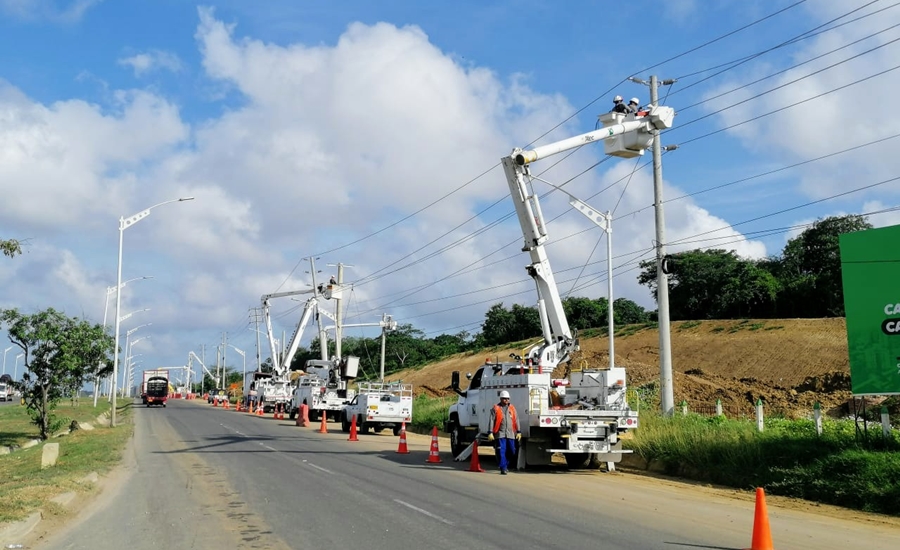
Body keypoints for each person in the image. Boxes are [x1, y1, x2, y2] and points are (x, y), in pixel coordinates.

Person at [487, 390, 521, 474]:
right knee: (501, 451)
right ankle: (503, 468)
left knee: (512, 451)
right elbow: (491, 420)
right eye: (504, 399)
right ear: (501, 399)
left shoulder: (512, 408)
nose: (506, 400)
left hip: (510, 434)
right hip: (500, 434)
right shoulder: (495, 408)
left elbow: (516, 420)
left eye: (508, 399)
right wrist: (490, 432)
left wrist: (519, 431)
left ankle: (505, 464)